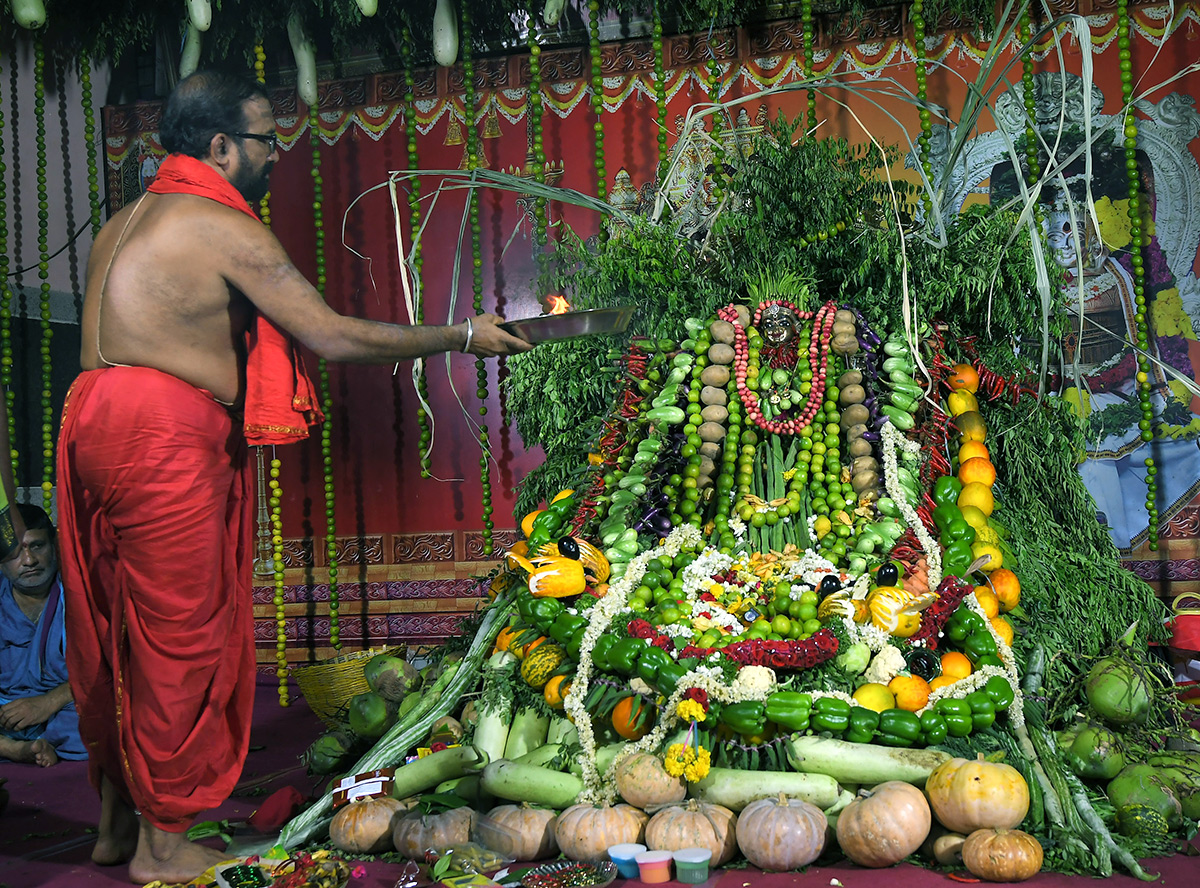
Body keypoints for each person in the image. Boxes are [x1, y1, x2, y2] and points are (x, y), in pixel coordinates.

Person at [55, 70, 531, 885]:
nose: (278, 155)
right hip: (161, 431)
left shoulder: (121, 223)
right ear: (219, 147)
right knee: (179, 638)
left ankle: (116, 824)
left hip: (88, 417)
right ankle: (162, 848)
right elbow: (331, 335)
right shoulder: (217, 225)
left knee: (114, 631)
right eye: (267, 139)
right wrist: (460, 333)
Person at [0, 504, 84, 767]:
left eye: (37, 546)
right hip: (5, 712)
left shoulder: (83, 596)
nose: (29, 561)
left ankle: (25, 744)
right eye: (15, 552)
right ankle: (12, 748)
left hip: (66, 708)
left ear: (55, 547)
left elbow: (109, 668)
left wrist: (47, 702)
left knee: (115, 715)